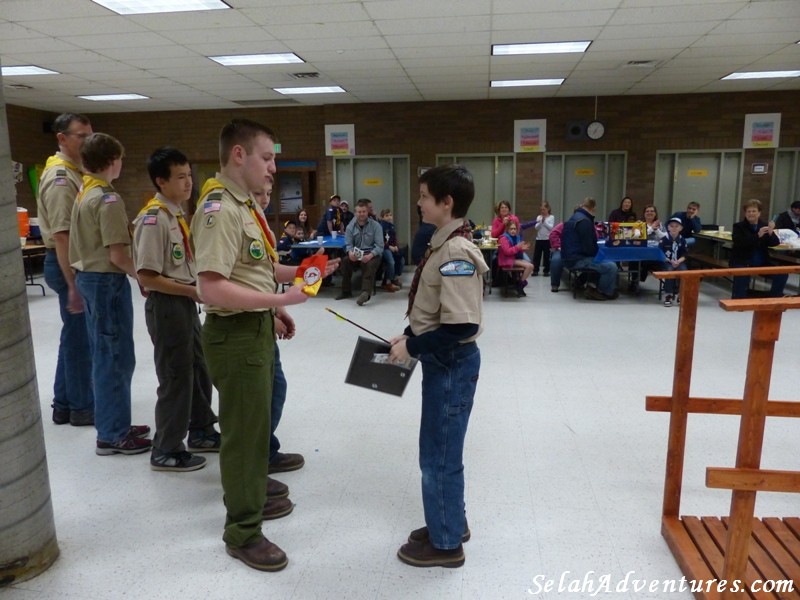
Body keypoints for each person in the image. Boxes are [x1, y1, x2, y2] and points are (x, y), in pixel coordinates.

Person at [191, 118, 337, 572]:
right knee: (243, 436)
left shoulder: (241, 205)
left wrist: (300, 279)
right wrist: (280, 299)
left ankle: (251, 490)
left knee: (254, 433)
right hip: (234, 336)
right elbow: (211, 288)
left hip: (253, 328)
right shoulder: (219, 208)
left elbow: (253, 267)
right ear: (239, 155)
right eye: (267, 157)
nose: (273, 168)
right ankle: (243, 531)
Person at [389, 164, 487, 569]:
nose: (419, 202)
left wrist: (413, 345)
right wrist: (409, 333)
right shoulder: (441, 241)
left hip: (450, 363)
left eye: (425, 196)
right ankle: (450, 521)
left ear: (446, 203)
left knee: (439, 455)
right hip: (440, 359)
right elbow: (435, 309)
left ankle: (447, 545)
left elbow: (463, 324)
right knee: (442, 449)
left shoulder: (456, 252)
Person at [132, 147, 219, 472]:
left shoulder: (177, 215)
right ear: (161, 181)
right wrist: (190, 290)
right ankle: (166, 448)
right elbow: (147, 277)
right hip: (169, 305)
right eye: (180, 177)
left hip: (185, 301)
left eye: (189, 176)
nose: (188, 183)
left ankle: (201, 430)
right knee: (175, 376)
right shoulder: (153, 219)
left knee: (199, 368)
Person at [69, 132, 152, 455]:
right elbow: (118, 255)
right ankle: (113, 433)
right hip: (106, 282)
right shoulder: (107, 198)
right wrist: (141, 276)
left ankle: (114, 420)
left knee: (106, 355)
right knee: (115, 358)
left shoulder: (84, 191)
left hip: (89, 279)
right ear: (112, 161)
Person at [36, 113, 95, 426]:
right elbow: (62, 234)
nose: (88, 142)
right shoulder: (61, 178)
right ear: (62, 138)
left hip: (69, 261)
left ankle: (64, 404)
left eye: (90, 135)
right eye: (81, 136)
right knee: (79, 339)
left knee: (73, 336)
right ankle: (82, 407)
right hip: (67, 263)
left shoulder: (74, 171)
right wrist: (73, 284)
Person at [561, 197, 619, 301]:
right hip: (576, 259)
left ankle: (590, 286)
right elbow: (589, 248)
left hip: (569, 257)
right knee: (611, 266)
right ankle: (603, 292)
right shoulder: (584, 221)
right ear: (593, 208)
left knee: (600, 261)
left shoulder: (575, 217)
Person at [729, 199, 787, 300]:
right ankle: (738, 299)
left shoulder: (764, 225)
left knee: (782, 273)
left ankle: (774, 298)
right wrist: (757, 235)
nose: (751, 214)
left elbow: (775, 243)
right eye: (748, 211)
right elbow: (740, 243)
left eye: (754, 211)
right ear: (745, 213)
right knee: (742, 273)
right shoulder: (738, 226)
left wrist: (770, 232)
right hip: (743, 261)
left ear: (759, 213)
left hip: (762, 261)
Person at [336, 199, 384, 306]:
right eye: (359, 212)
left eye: (363, 211)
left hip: (372, 254)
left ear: (367, 212)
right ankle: (346, 291)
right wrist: (350, 253)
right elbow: (348, 244)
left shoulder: (376, 226)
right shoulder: (350, 227)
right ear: (355, 213)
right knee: (345, 262)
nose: (361, 214)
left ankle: (365, 293)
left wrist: (370, 255)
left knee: (369, 265)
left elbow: (380, 246)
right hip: (356, 253)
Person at [497, 220, 533, 297]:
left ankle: (519, 284)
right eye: (511, 229)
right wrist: (518, 247)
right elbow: (507, 251)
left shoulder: (516, 237)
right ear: (507, 229)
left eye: (514, 229)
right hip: (506, 259)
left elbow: (515, 250)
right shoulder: (503, 238)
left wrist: (522, 248)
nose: (513, 231)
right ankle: (520, 285)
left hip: (513, 258)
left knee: (530, 266)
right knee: (529, 266)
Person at [659, 217, 688, 307]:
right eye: (672, 226)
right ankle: (668, 295)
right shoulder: (663, 240)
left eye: (676, 226)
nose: (674, 228)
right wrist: (670, 261)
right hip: (667, 261)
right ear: (668, 228)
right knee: (670, 271)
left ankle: (681, 295)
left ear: (681, 228)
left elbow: (685, 254)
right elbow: (661, 253)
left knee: (684, 272)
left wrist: (678, 261)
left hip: (679, 262)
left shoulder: (682, 240)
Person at [637, 204, 667, 286]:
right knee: (640, 261)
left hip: (657, 252)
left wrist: (656, 230)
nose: (649, 213)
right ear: (644, 213)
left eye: (652, 211)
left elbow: (665, 237)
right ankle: (636, 280)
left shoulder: (660, 224)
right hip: (642, 252)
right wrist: (651, 228)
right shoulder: (639, 224)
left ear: (655, 213)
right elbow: (638, 237)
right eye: (647, 211)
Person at [379, 208, 403, 292]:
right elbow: (381, 241)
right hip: (385, 248)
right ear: (382, 217)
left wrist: (396, 245)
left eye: (390, 215)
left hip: (393, 247)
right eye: (386, 216)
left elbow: (394, 238)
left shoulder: (392, 226)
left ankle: (393, 278)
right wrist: (389, 247)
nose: (389, 217)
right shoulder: (381, 226)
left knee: (401, 260)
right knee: (391, 262)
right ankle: (388, 282)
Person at [532, 201, 555, 276]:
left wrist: (544, 222)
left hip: (547, 240)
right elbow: (536, 227)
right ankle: (535, 270)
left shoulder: (551, 217)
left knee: (547, 256)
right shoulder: (539, 217)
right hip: (539, 239)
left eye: (544, 209)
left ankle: (546, 270)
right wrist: (540, 222)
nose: (542, 211)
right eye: (541, 209)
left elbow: (550, 228)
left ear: (548, 209)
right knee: (537, 256)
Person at [548, 221, 565, 293]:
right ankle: (555, 284)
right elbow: (553, 234)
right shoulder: (564, 225)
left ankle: (580, 280)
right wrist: (558, 246)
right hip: (562, 249)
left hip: (579, 251)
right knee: (556, 260)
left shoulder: (588, 225)